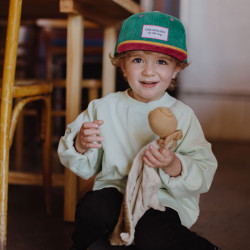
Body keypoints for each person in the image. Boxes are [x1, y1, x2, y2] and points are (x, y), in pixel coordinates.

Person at [58, 11, 221, 250]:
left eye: (161, 62)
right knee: (91, 208)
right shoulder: (103, 108)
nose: (148, 71)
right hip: (116, 191)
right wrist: (81, 144)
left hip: (162, 199)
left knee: (153, 235)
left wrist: (173, 164)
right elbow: (82, 164)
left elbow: (203, 170)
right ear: (122, 66)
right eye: (138, 60)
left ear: (176, 69)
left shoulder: (183, 115)